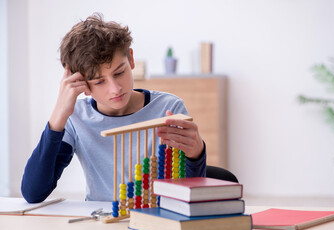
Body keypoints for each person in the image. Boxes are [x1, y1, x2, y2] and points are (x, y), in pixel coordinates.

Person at [21, 13, 206, 203]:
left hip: (156, 220)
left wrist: (196, 153)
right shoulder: (75, 117)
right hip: (101, 223)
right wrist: (58, 116)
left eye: (119, 73)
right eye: (99, 81)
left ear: (131, 60)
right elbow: (34, 192)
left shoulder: (169, 107)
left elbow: (191, 191)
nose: (115, 89)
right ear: (81, 83)